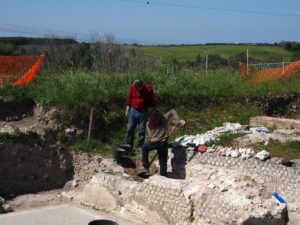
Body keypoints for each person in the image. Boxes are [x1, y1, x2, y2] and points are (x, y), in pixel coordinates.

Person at [141, 109, 180, 177]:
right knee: (163, 162)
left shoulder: (149, 123)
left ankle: (146, 165)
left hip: (154, 143)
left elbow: (150, 136)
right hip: (163, 143)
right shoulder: (164, 118)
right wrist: (177, 120)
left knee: (144, 148)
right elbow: (172, 111)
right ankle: (163, 177)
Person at [125, 79, 156, 151]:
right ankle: (129, 145)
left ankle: (140, 145)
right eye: (136, 88)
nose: (137, 89)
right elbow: (129, 97)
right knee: (130, 129)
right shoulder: (132, 87)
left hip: (143, 111)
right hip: (133, 110)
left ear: (142, 85)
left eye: (139, 88)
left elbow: (152, 100)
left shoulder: (148, 88)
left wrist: (152, 111)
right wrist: (127, 108)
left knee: (142, 130)